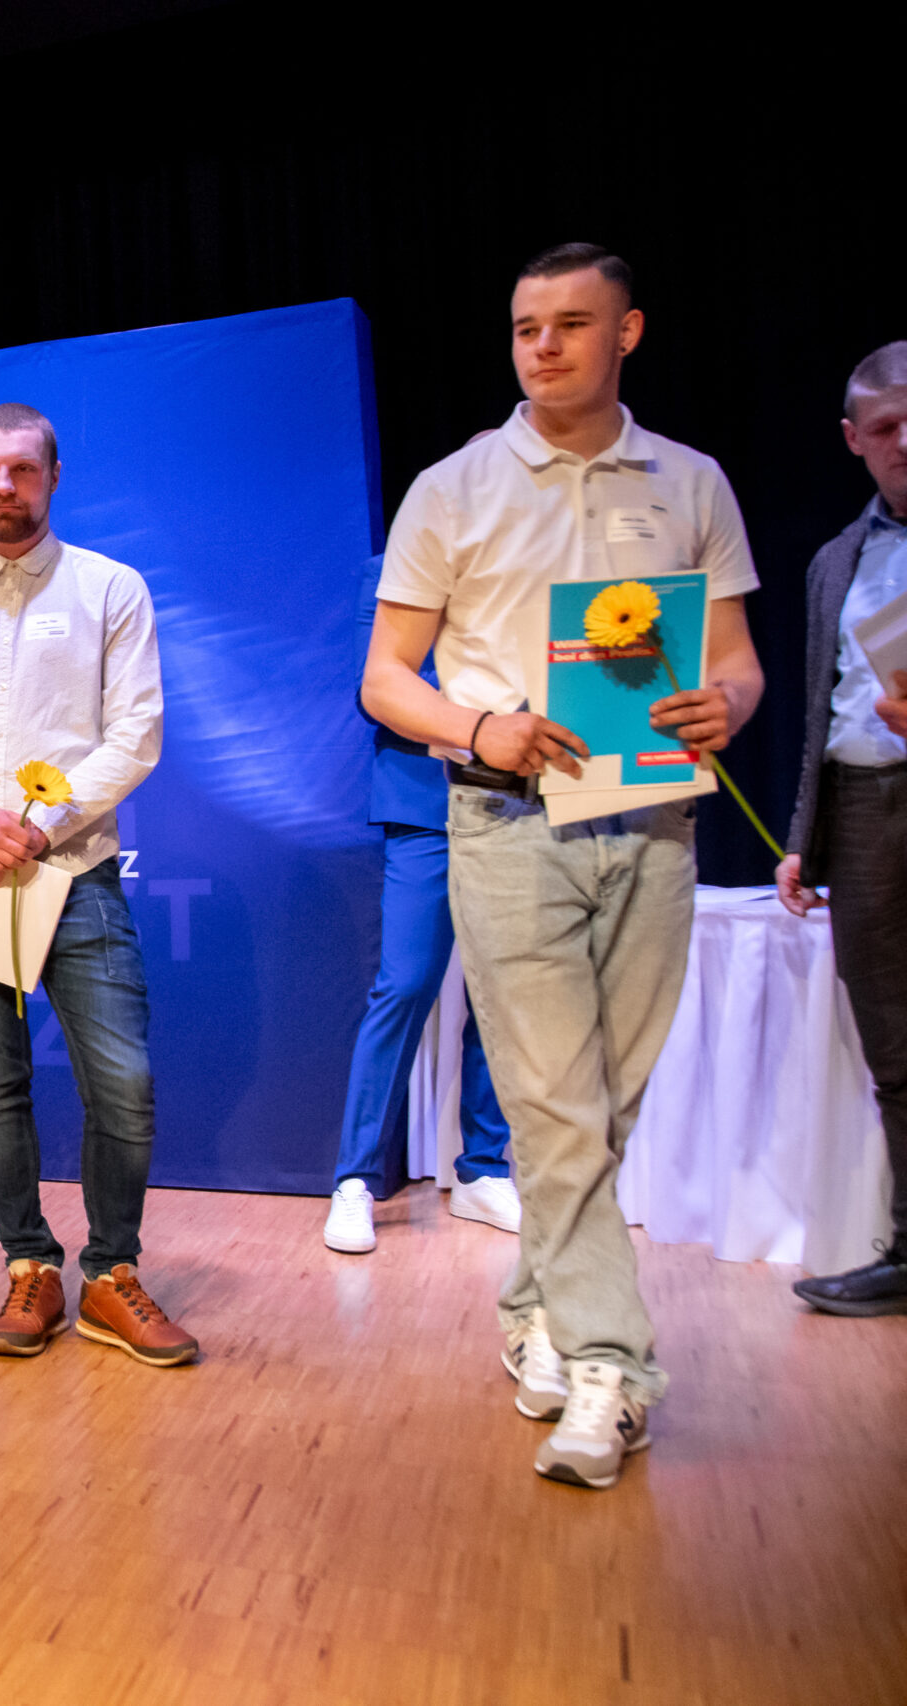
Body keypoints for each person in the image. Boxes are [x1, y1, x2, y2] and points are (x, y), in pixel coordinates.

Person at [364, 244, 765, 1489]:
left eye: (571, 324)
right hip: (505, 822)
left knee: (604, 1103)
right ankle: (609, 1367)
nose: (542, 346)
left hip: (653, 818)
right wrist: (476, 726)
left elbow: (738, 660)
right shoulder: (451, 486)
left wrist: (728, 704)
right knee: (550, 1100)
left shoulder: (690, 481)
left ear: (626, 332)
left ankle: (534, 1306)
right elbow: (384, 678)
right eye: (525, 326)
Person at [0, 403, 197, 1368]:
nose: (4, 487)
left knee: (124, 1086)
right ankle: (29, 1266)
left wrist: (40, 825)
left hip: (78, 873)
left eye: (21, 469)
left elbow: (135, 732)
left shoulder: (111, 588)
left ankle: (109, 1273)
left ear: (54, 475)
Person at [324, 550, 517, 1255]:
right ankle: (354, 1179)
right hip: (424, 802)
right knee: (404, 985)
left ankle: (483, 1169)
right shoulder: (392, 568)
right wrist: (488, 724)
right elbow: (378, 690)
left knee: (504, 991)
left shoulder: (532, 562)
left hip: (521, 804)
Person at [780, 341, 907, 1318]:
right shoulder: (836, 560)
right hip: (864, 811)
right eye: (886, 427)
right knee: (894, 1047)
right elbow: (819, 712)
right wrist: (802, 837)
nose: (905, 441)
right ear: (853, 439)